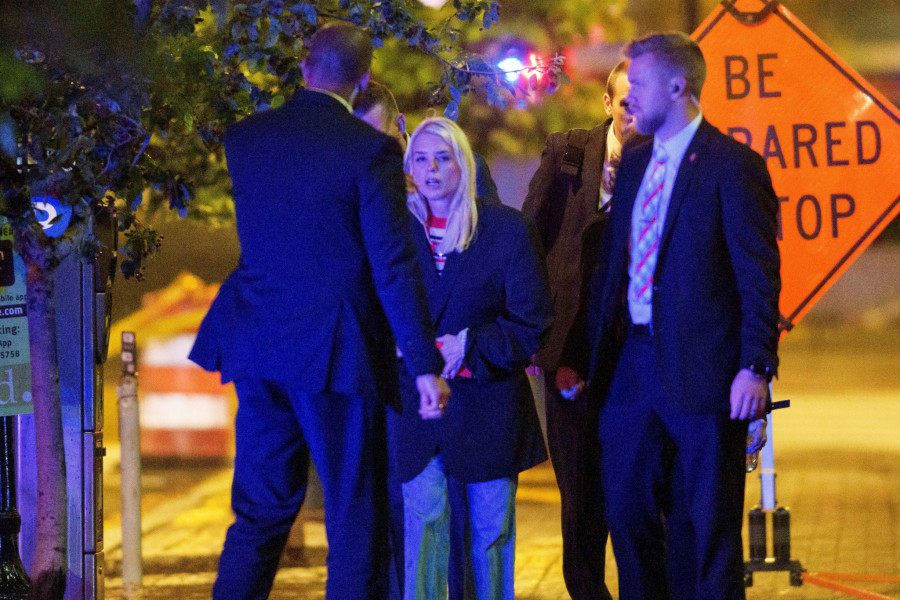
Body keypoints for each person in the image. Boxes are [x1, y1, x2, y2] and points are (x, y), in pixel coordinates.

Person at [188, 23, 450, 600]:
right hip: (336, 351)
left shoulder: (246, 139)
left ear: (305, 67)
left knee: (260, 511)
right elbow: (393, 264)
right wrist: (425, 365)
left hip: (257, 341)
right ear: (363, 79)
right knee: (355, 516)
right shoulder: (370, 151)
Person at [584, 32, 780, 600]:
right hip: (632, 364)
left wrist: (756, 366)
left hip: (705, 370)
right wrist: (582, 356)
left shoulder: (732, 167)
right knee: (625, 509)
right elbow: (613, 270)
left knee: (707, 525)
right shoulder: (634, 161)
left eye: (639, 84)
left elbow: (758, 276)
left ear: (677, 87)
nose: (629, 98)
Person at [388, 117, 552, 600]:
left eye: (443, 158)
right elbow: (373, 308)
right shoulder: (393, 231)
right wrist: (401, 346)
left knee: (490, 533)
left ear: (464, 164)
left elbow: (533, 320)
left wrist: (469, 345)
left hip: (487, 404)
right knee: (422, 527)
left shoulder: (507, 230)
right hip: (416, 405)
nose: (432, 169)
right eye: (421, 159)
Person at [353, 80, 501, 600]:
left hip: (458, 378)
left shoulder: (460, 171)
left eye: (376, 136)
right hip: (390, 382)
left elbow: (487, 264)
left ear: (398, 127)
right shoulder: (359, 185)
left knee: (464, 520)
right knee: (405, 517)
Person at [520, 60, 634, 600]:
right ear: (608, 104)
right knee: (581, 496)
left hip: (634, 358)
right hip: (569, 352)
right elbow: (527, 242)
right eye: (626, 102)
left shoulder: (669, 163)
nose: (636, 113)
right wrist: (533, 337)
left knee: (637, 492)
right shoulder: (569, 154)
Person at [353, 81, 501, 205]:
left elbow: (493, 226)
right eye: (360, 140)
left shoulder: (467, 168)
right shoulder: (357, 180)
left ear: (400, 125)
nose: (370, 149)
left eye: (377, 136)